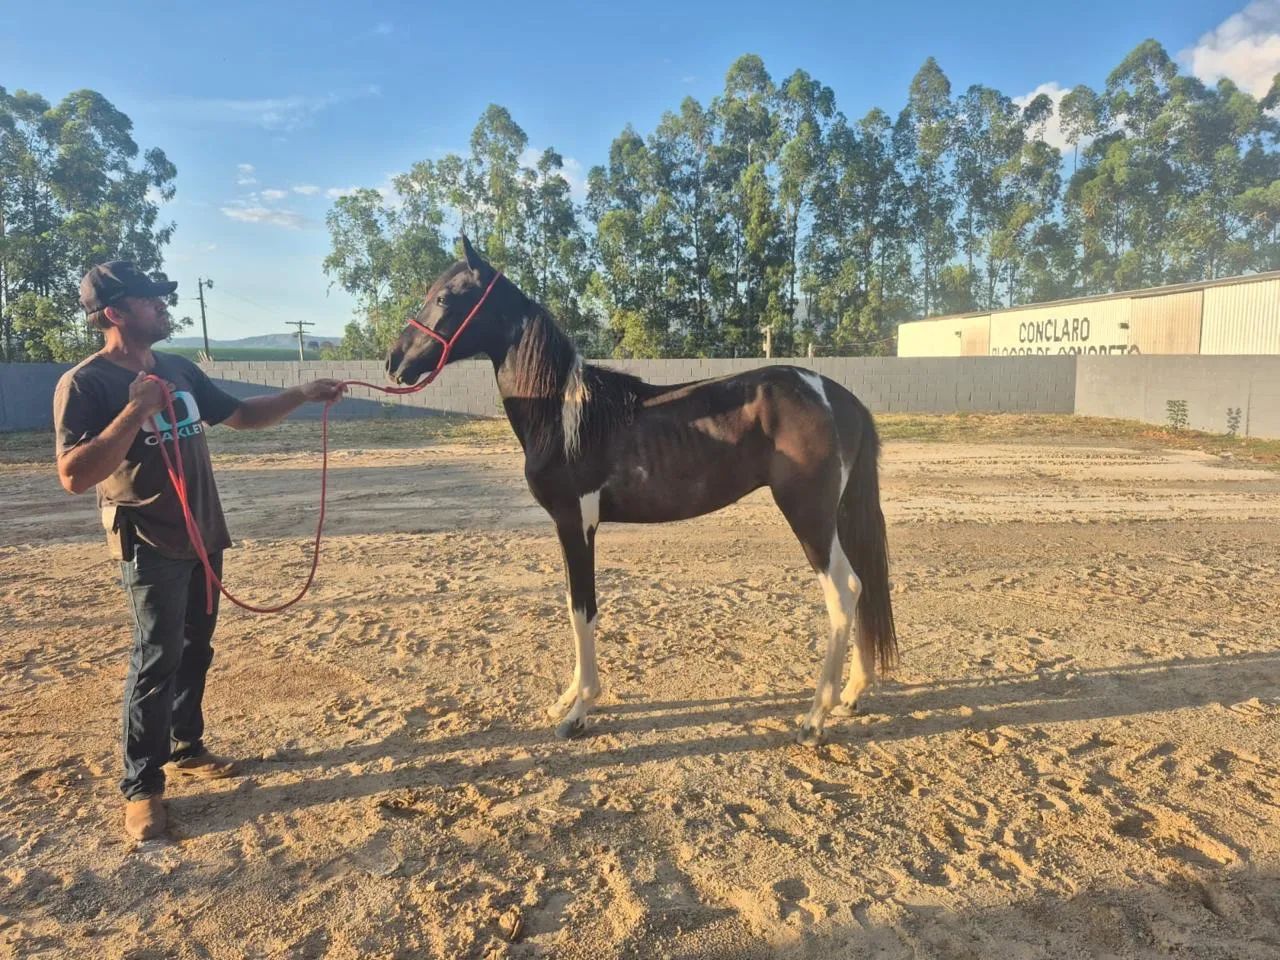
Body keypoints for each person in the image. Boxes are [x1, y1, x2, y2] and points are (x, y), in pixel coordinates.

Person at [52, 260, 345, 842]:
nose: (162, 306)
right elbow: (74, 475)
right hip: (151, 543)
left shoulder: (180, 367)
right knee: (155, 660)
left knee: (195, 649)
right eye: (149, 300)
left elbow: (239, 416)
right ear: (115, 313)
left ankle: (186, 748)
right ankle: (142, 787)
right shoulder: (85, 384)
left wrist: (301, 394)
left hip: (205, 536)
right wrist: (135, 410)